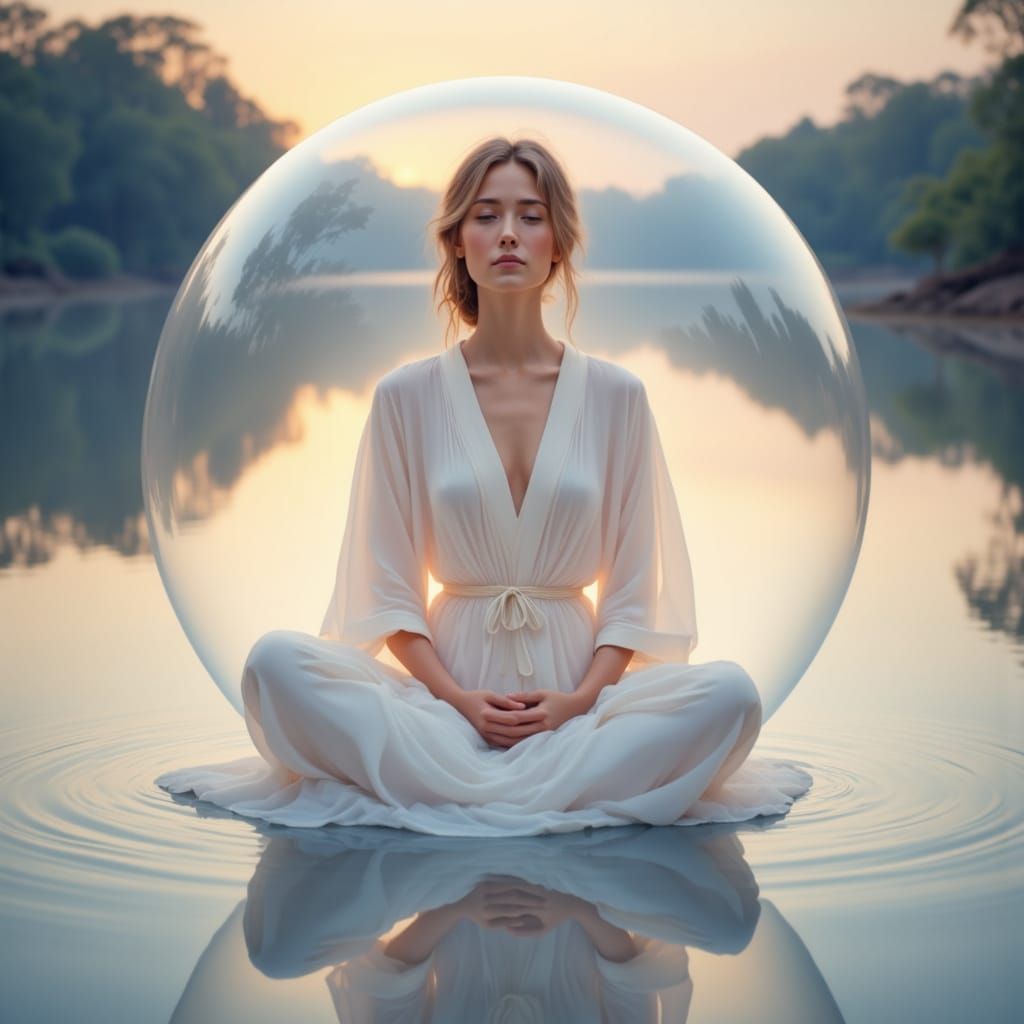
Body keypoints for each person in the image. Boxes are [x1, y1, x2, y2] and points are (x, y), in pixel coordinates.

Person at [156, 137, 813, 836]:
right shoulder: (403, 396)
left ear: (557, 243)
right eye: (486, 215)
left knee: (731, 695)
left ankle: (471, 798)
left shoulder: (619, 395)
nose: (508, 234)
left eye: (530, 217)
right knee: (275, 665)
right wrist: (461, 702)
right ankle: (537, 795)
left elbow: (629, 594)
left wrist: (577, 703)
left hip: (578, 705)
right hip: (440, 709)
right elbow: (389, 596)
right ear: (457, 242)